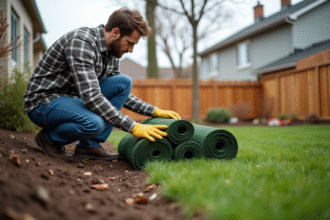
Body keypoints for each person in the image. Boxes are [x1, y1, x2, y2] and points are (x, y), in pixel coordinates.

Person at [24, 8, 181, 162]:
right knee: (93, 123)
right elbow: (92, 97)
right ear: (115, 32)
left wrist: (153, 111)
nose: (131, 50)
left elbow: (121, 93)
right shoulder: (81, 42)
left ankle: (89, 146)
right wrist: (133, 126)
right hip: (42, 103)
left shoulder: (111, 53)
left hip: (70, 99)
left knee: (123, 82)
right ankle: (49, 139)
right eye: (130, 43)